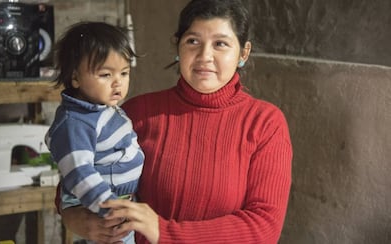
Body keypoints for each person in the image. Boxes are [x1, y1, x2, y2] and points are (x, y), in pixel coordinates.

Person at [56, 0, 292, 243]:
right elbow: (76, 174)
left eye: (220, 44)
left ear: (243, 53)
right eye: (193, 41)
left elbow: (263, 228)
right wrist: (77, 219)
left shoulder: (265, 124)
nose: (204, 56)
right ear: (177, 46)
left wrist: (163, 231)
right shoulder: (136, 113)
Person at [45, 21, 144, 244]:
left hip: (119, 204)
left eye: (124, 73)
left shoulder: (102, 109)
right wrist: (111, 208)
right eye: (105, 75)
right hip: (101, 209)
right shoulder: (76, 123)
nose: (117, 82)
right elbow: (80, 173)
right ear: (75, 78)